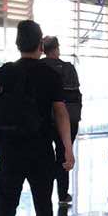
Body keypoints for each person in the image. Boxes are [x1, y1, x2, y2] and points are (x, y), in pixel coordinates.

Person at [0, 20, 72, 216]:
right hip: (40, 148)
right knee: (43, 202)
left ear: (17, 44)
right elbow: (61, 113)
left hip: (9, 150)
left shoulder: (4, 72)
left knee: (6, 203)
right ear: (40, 45)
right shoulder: (50, 74)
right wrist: (67, 148)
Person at [41, 36, 82, 205]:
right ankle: (63, 195)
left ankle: (44, 195)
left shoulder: (39, 67)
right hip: (68, 119)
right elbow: (75, 94)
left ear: (42, 49)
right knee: (63, 154)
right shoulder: (68, 68)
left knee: (44, 156)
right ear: (57, 48)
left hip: (43, 119)